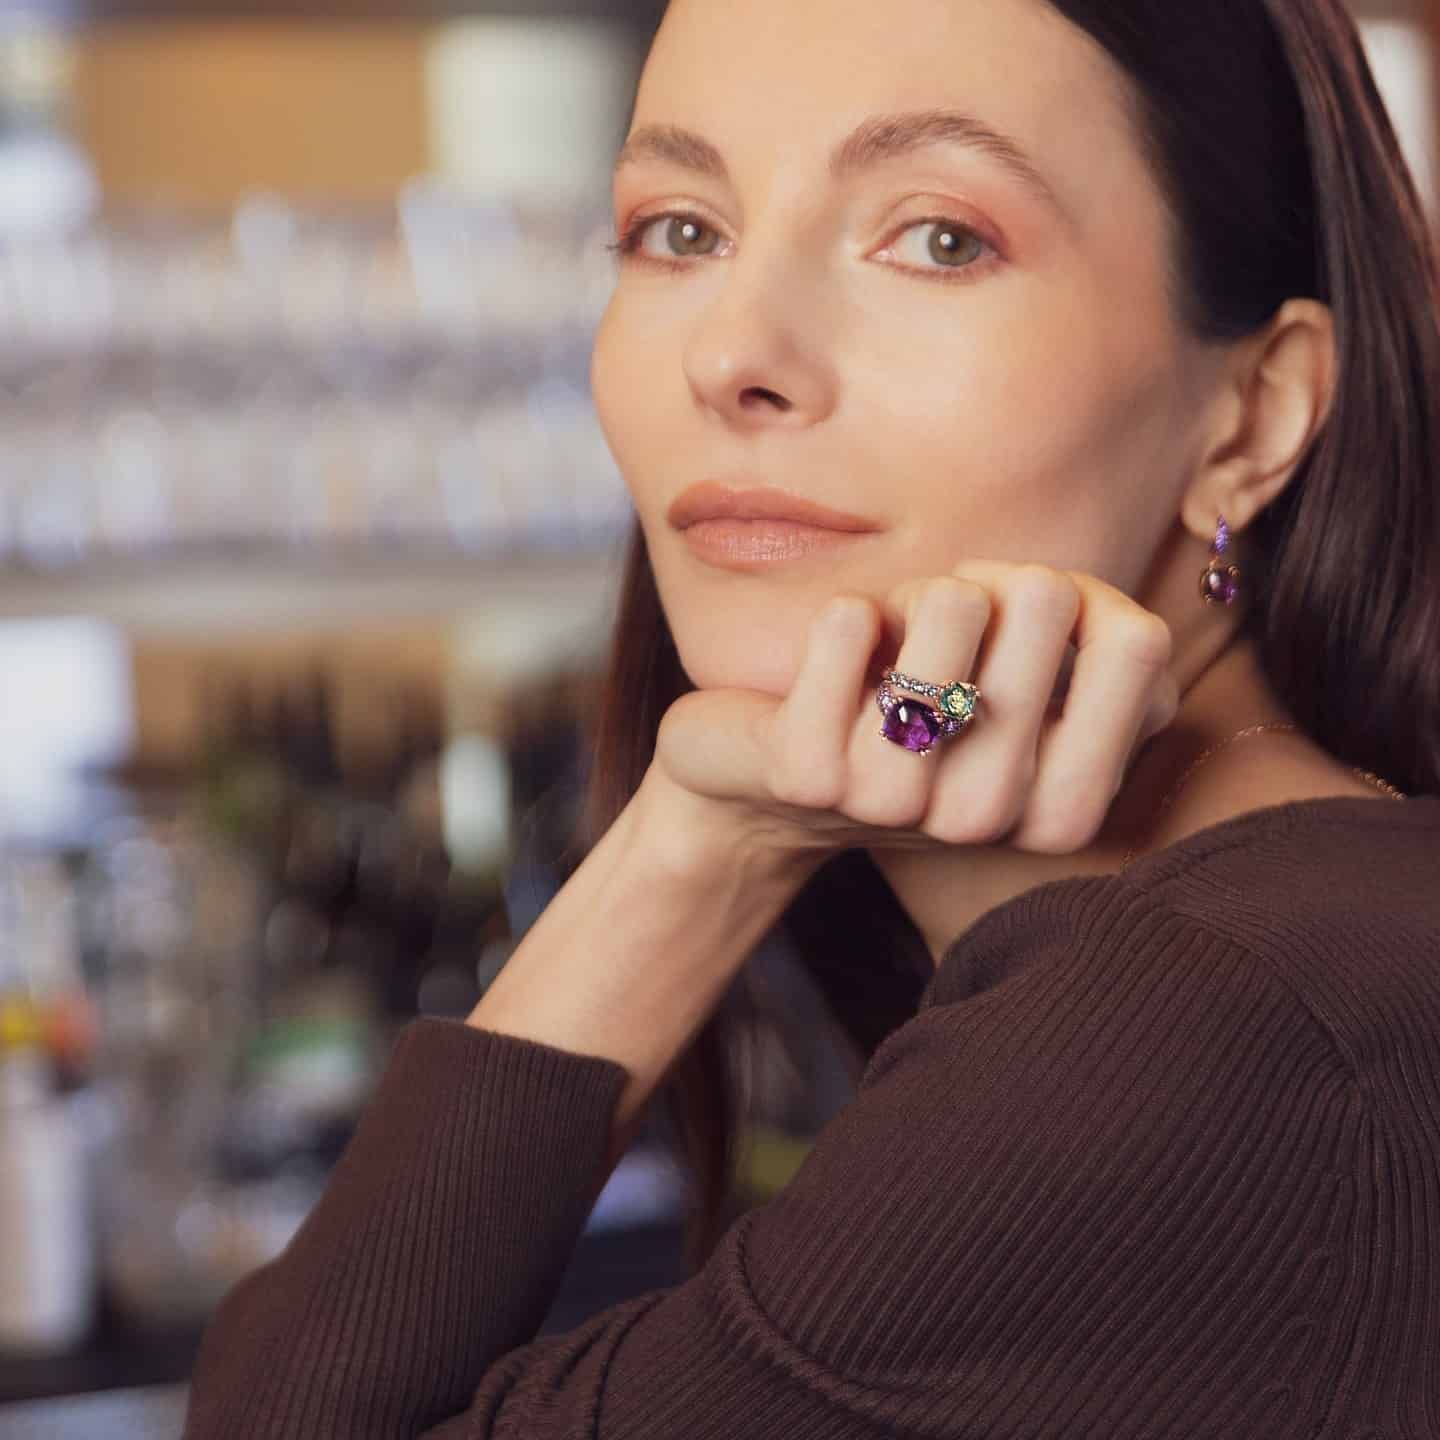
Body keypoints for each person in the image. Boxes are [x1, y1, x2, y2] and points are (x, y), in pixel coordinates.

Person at [182, 0, 1440, 1434]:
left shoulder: (1209, 1025)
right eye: (679, 231)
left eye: (939, 237)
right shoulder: (1301, 936)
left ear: (1253, 415)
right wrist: (698, 838)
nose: (734, 352)